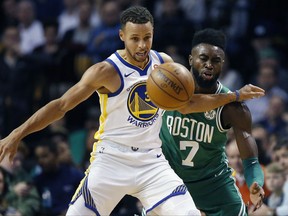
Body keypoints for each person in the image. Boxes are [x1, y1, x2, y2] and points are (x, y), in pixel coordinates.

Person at [0, 6, 264, 216]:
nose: (141, 45)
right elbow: (61, 106)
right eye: (135, 38)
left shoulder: (164, 64)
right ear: (122, 36)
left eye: (147, 37)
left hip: (152, 162)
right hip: (111, 160)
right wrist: (17, 133)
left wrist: (235, 95)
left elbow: (188, 104)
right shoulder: (105, 71)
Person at [160, 28, 265, 215]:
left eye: (216, 61)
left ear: (222, 65)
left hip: (213, 182)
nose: (209, 65)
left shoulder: (234, 108)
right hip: (169, 177)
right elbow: (189, 104)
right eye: (203, 58)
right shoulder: (170, 90)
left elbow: (250, 161)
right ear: (191, 60)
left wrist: (255, 184)